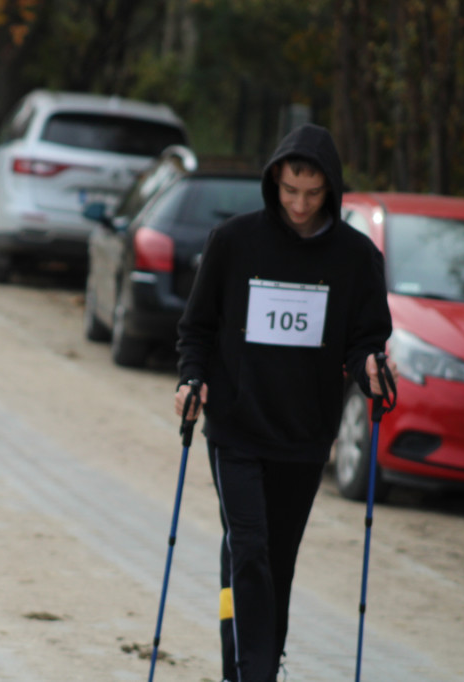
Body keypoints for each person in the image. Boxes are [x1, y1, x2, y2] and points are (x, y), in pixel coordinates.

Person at [173, 123, 396, 682]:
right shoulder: (233, 241)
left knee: (273, 563)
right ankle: (256, 676)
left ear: (331, 189)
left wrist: (372, 369)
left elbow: (366, 337)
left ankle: (247, 665)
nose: (298, 205)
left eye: (312, 193)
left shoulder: (355, 257)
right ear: (273, 181)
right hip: (236, 429)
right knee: (249, 550)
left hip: (303, 435)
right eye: (289, 190)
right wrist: (190, 379)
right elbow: (196, 329)